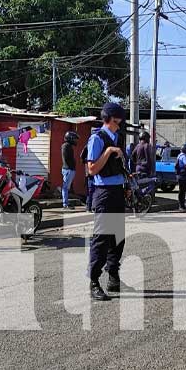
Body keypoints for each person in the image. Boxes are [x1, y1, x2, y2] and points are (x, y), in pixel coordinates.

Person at [86, 102, 127, 302]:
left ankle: (113, 274)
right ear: (109, 120)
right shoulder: (97, 139)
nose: (120, 126)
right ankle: (94, 281)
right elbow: (92, 169)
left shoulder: (116, 137)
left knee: (118, 238)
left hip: (117, 191)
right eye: (118, 122)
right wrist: (109, 151)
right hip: (103, 193)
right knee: (101, 239)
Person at [61, 131, 78, 210]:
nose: (75, 140)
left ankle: (66, 203)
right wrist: (71, 165)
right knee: (65, 187)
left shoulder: (68, 146)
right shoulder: (66, 146)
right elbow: (66, 158)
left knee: (66, 187)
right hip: (68, 169)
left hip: (69, 169)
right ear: (70, 138)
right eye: (74, 139)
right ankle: (65, 204)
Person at [175, 143, 186, 212]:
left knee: (181, 191)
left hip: (180, 175)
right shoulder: (184, 156)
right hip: (183, 175)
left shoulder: (179, 155)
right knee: (182, 191)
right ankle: (181, 206)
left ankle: (182, 205)